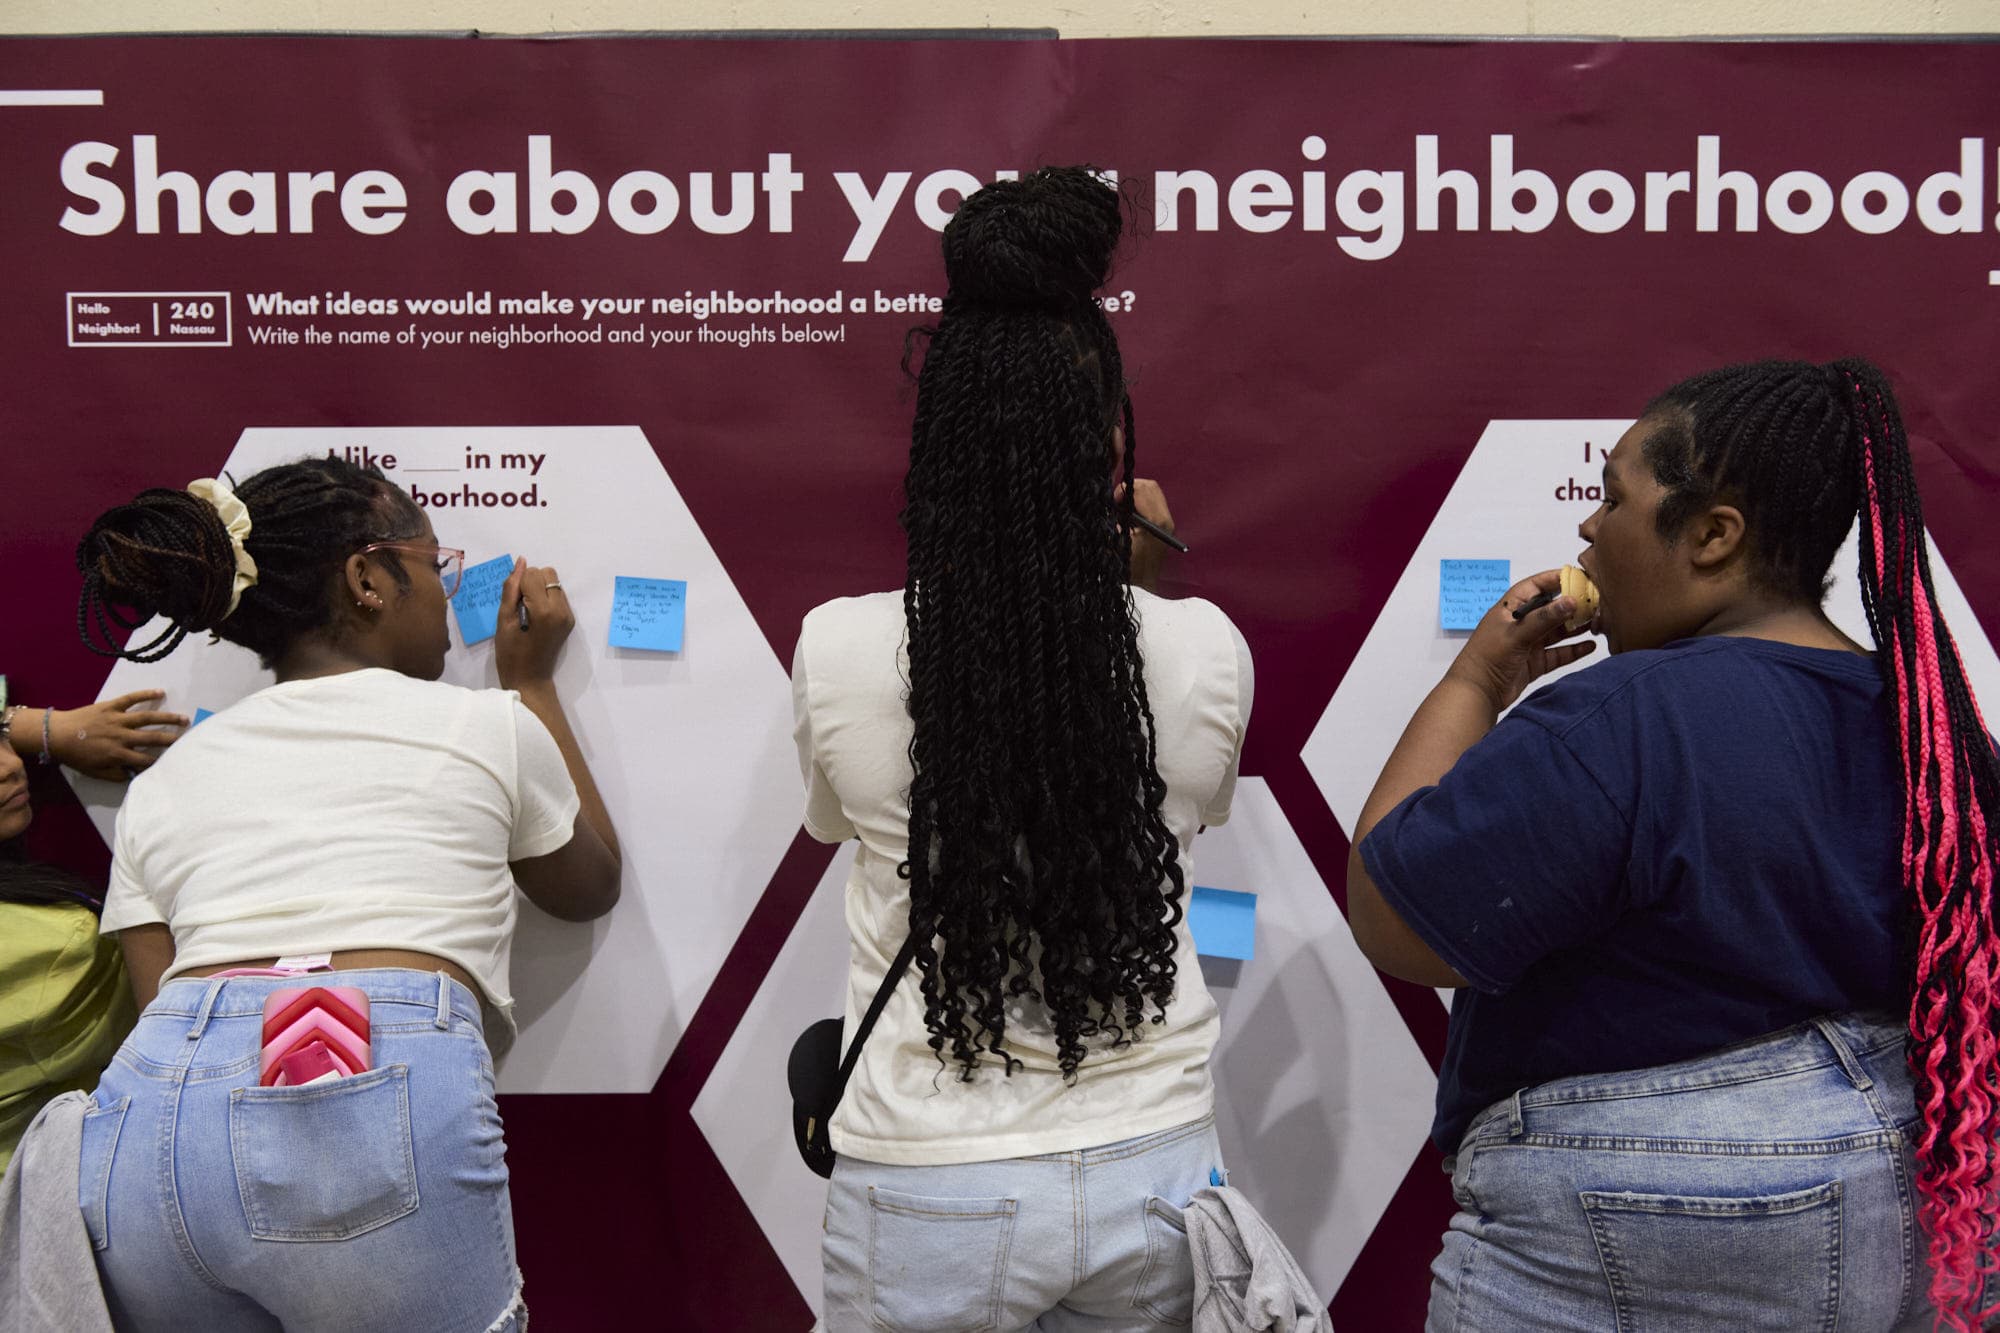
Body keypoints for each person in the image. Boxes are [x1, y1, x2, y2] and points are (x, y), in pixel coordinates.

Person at [1347, 358, 1993, 1331]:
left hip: (1644, 1202)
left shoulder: (1625, 710)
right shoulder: (1928, 722)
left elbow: (1397, 923)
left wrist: (1473, 684)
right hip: (1902, 1187)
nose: (1586, 528)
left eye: (1611, 497)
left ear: (1711, 534)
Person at [793, 166, 1254, 1332]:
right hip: (1154, 1160)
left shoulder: (839, 645)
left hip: (926, 1173)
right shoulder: (1199, 650)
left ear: (942, 441)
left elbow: (833, 822)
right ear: (1110, 453)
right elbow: (1180, 800)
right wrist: (1122, 597)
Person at [72, 457, 620, 1332]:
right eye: (434, 565)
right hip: (356, 1081)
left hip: (151, 1118)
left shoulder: (168, 781)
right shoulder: (485, 725)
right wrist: (532, 686)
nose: (446, 592)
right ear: (368, 576)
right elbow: (590, 885)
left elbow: (159, 1005)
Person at [0, 723, 136, 1177]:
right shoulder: (61, 939)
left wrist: (49, 731)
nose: (11, 766)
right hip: (57, 1190)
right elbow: (168, 1006)